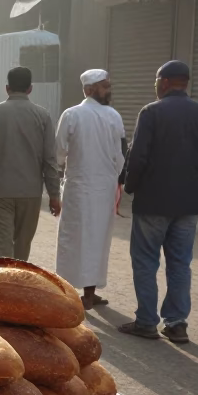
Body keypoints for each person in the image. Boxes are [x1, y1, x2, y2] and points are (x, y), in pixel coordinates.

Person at [119, 60, 198, 344]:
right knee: (179, 264)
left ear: (163, 82)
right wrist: (194, 187)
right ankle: (176, 324)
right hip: (188, 205)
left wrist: (130, 187)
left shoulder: (151, 112)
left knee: (145, 262)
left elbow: (137, 157)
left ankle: (147, 322)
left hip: (153, 202)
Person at [55, 70, 127, 311]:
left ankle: (79, 294)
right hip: (100, 187)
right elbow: (120, 157)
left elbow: (59, 152)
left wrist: (64, 167)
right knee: (94, 239)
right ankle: (85, 293)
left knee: (77, 239)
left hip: (81, 186)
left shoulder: (73, 115)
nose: (108, 90)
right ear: (88, 90)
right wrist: (113, 176)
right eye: (103, 86)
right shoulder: (104, 115)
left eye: (108, 85)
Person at [0, 66, 61, 261]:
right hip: (30, 194)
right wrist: (54, 194)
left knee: (1, 249)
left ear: (7, 88)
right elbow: (50, 160)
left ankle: (4, 287)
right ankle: (17, 286)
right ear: (30, 88)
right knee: (21, 249)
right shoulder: (43, 116)